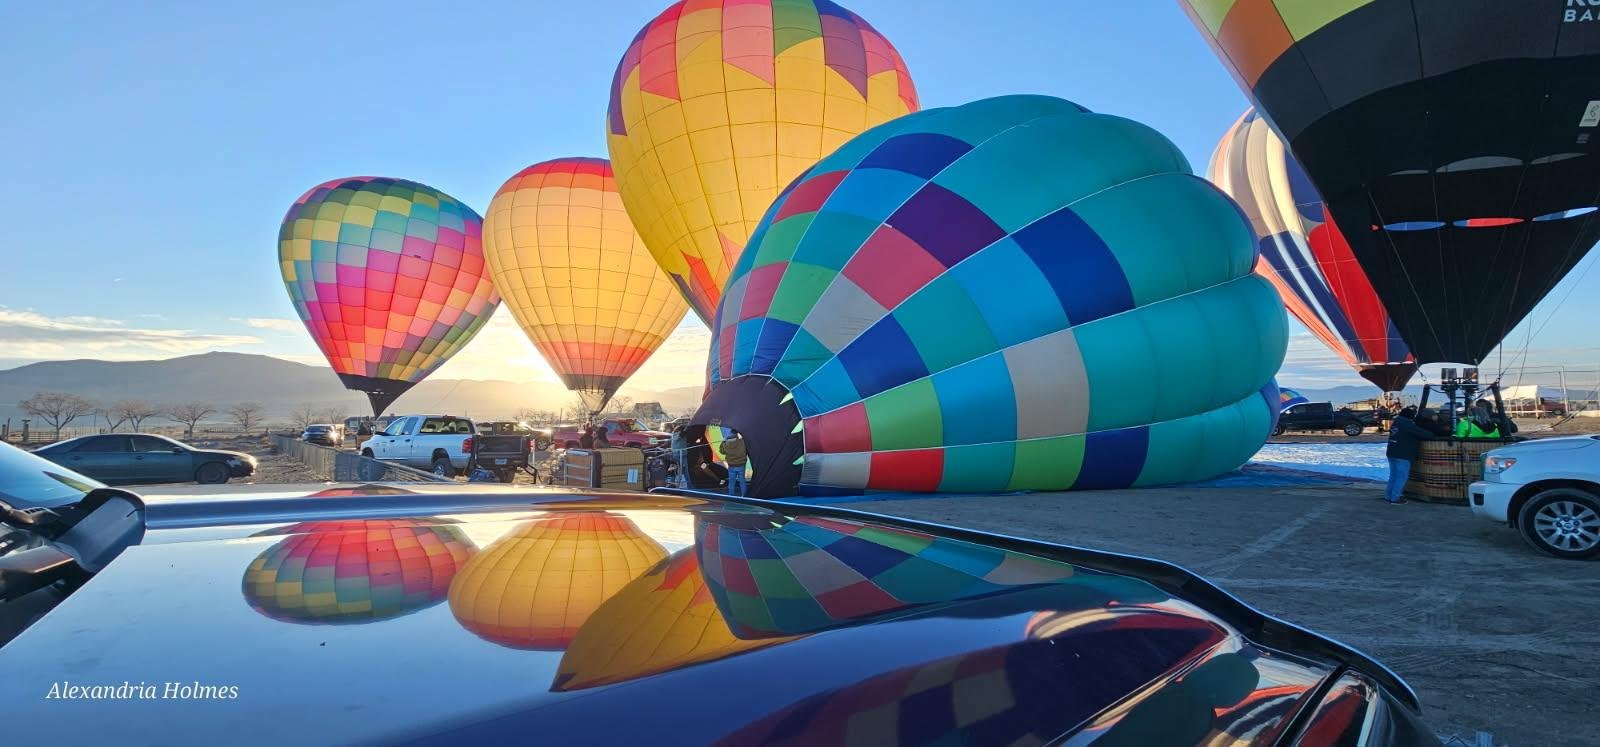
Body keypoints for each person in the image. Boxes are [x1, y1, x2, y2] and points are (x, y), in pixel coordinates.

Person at [1385, 406, 1432, 504]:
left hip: (1392, 452)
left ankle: (1389, 496)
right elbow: (1423, 434)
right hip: (1402, 454)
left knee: (1393, 476)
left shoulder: (1397, 422)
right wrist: (1433, 434)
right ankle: (1395, 498)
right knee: (1401, 477)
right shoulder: (1407, 424)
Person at [719, 432, 748, 497]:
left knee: (731, 482)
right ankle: (744, 496)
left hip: (731, 465)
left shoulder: (726, 443)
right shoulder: (742, 442)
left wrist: (723, 442)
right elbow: (747, 450)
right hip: (741, 464)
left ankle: (731, 497)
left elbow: (721, 451)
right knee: (742, 481)